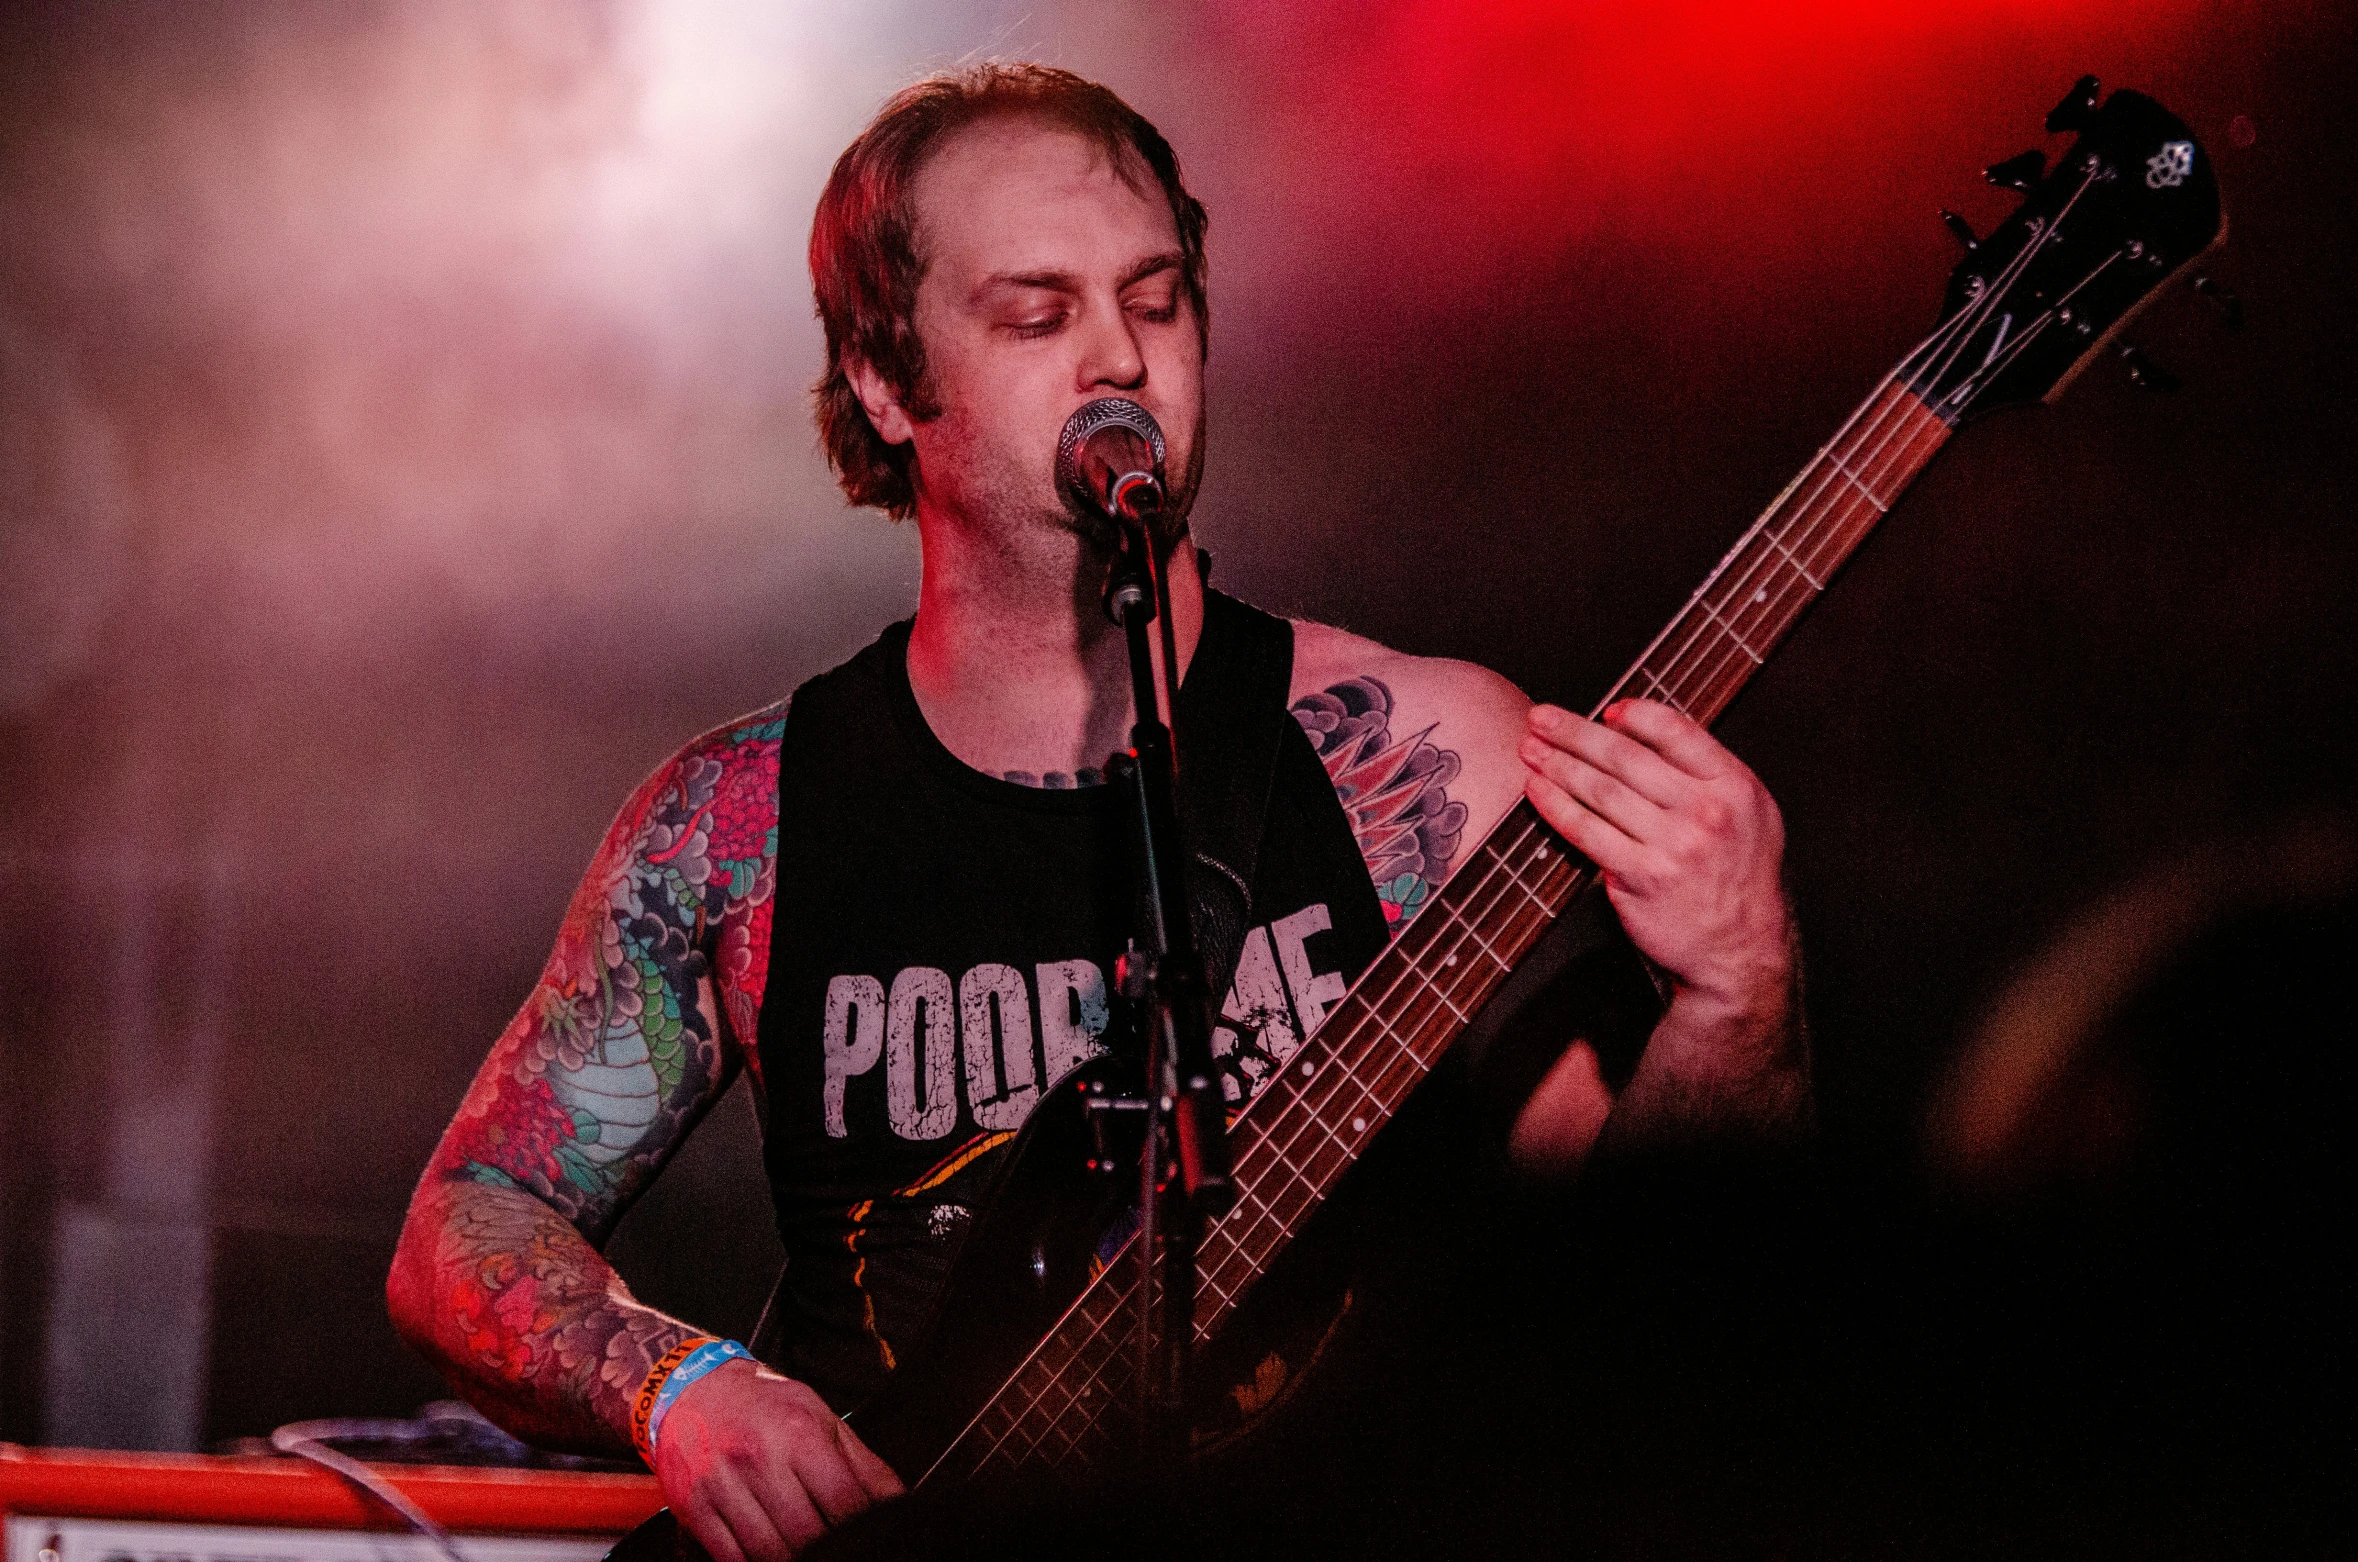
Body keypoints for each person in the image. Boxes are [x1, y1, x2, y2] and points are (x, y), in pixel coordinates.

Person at [387, 63, 1808, 1562]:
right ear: (883, 377)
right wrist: (681, 1385)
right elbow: (463, 1226)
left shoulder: (1426, 750)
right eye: (1037, 313)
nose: (1120, 357)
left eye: (1157, 296)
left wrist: (1740, 1001)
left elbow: (1656, 1318)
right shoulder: (742, 823)